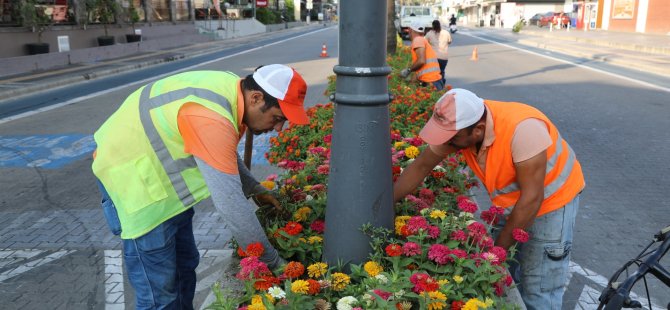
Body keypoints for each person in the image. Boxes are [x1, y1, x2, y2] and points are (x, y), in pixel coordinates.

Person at [92, 64, 308, 309]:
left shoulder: (230, 88)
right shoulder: (209, 116)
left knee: (185, 267)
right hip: (138, 186)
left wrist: (256, 189)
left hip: (165, 188)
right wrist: (274, 263)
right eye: (277, 118)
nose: (278, 128)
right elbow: (231, 205)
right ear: (256, 97)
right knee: (160, 294)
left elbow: (223, 152)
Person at [393, 88, 584, 310]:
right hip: (511, 202)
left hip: (552, 202)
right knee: (501, 280)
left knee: (538, 289)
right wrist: (386, 205)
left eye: (451, 139)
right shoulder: (461, 127)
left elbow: (532, 198)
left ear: (478, 131)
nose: (446, 144)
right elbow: (421, 166)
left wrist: (495, 255)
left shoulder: (523, 130)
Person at [400, 21, 444, 91]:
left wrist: (408, 70)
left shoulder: (417, 40)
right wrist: (412, 81)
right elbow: (421, 67)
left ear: (410, 30)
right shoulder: (422, 40)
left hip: (431, 82)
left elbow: (421, 61)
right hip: (434, 81)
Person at [424, 20, 451, 85]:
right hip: (444, 57)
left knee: (433, 72)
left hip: (433, 57)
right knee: (441, 71)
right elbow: (449, 42)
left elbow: (424, 42)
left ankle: (435, 86)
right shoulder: (446, 33)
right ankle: (442, 84)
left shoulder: (429, 33)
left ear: (432, 26)